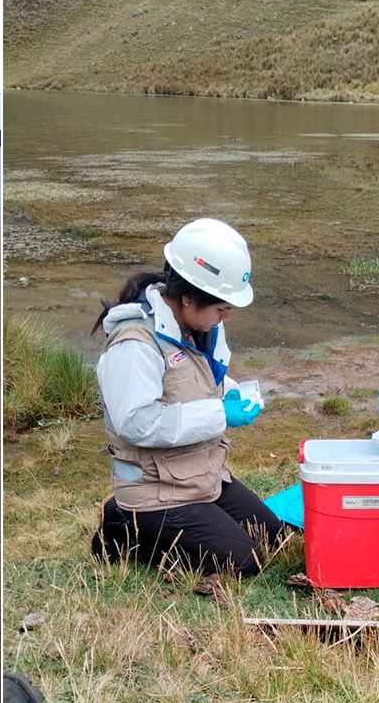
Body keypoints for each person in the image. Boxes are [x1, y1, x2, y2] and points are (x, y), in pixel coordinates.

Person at [88, 218, 285, 596]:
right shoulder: (134, 346)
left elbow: (199, 379)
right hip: (155, 490)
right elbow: (138, 424)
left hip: (200, 473)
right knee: (246, 560)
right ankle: (123, 525)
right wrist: (219, 415)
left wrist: (230, 392)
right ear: (188, 297)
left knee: (272, 537)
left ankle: (165, 525)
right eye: (222, 308)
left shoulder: (198, 325)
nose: (226, 316)